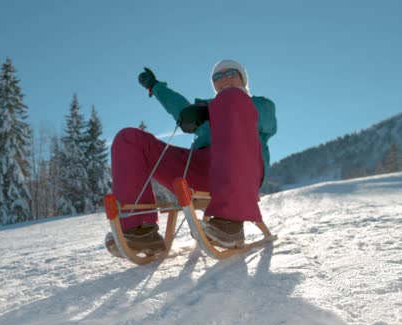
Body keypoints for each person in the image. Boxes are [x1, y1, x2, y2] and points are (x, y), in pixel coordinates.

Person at [106, 59, 277, 252]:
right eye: (217, 77)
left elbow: (264, 120)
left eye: (231, 74)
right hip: (201, 169)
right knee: (128, 139)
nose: (224, 79)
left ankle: (231, 224)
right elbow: (179, 107)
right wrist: (156, 87)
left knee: (232, 99)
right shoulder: (208, 108)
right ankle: (140, 231)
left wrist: (211, 111)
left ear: (243, 79)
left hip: (243, 170)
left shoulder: (261, 105)